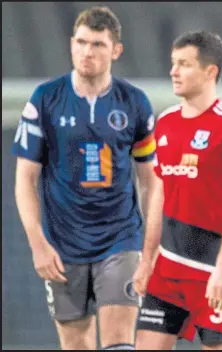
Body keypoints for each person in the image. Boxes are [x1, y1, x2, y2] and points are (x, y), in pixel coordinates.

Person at [12, 6, 161, 350]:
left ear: (116, 51)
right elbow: (25, 179)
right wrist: (38, 244)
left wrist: (149, 248)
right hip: (63, 243)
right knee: (76, 343)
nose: (87, 52)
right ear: (71, 44)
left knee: (119, 343)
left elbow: (150, 181)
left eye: (97, 44)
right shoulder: (45, 100)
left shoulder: (134, 103)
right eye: (80, 42)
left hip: (120, 239)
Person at [133, 30, 222, 351]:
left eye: (184, 64)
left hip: (214, 268)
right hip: (169, 265)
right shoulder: (166, 122)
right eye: (173, 63)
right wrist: (147, 260)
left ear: (210, 71)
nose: (173, 71)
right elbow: (159, 195)